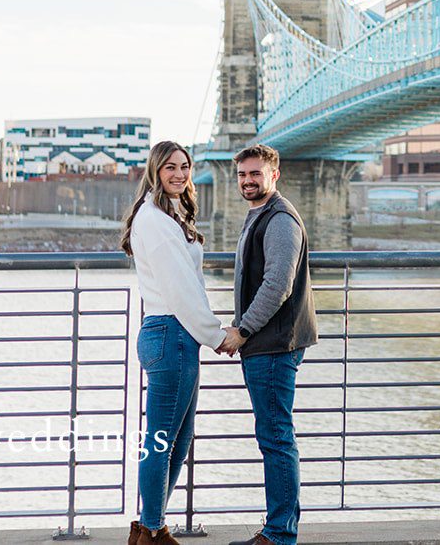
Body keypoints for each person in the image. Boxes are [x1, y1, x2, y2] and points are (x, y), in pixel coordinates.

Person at [123, 140, 244, 545]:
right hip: (171, 333)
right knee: (161, 440)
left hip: (175, 336)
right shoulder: (155, 219)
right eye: (170, 167)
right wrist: (216, 335)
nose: (179, 173)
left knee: (176, 440)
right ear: (155, 171)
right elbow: (180, 290)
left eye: (185, 166)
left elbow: (186, 285)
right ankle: (153, 530)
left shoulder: (168, 213)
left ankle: (147, 524)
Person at [220, 144, 317, 545]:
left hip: (274, 344)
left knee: (276, 437)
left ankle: (279, 534)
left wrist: (242, 330)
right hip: (266, 342)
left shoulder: (279, 220)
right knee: (274, 435)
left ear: (274, 175)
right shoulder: (259, 214)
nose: (247, 181)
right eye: (242, 174)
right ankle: (280, 529)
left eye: (255, 174)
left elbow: (278, 284)